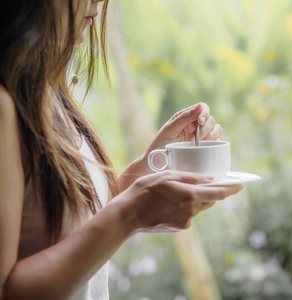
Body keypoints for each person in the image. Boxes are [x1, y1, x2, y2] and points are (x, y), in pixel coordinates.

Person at [0, 0, 243, 299]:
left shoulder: (50, 89)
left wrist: (154, 164)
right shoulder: (4, 104)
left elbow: (70, 223)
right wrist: (129, 215)